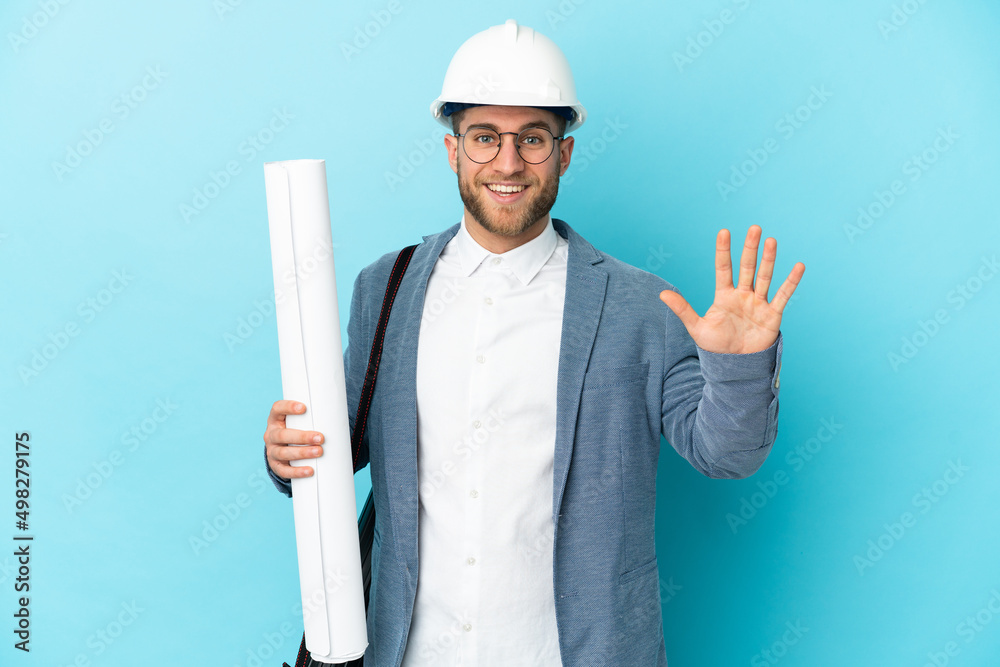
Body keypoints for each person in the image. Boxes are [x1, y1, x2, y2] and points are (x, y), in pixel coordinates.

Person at [263, 19, 804, 667]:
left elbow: (727, 455)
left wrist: (738, 365)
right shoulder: (385, 287)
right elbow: (337, 445)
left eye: (533, 138)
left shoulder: (642, 307)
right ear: (453, 150)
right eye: (484, 137)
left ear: (564, 154)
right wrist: (287, 451)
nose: (508, 162)